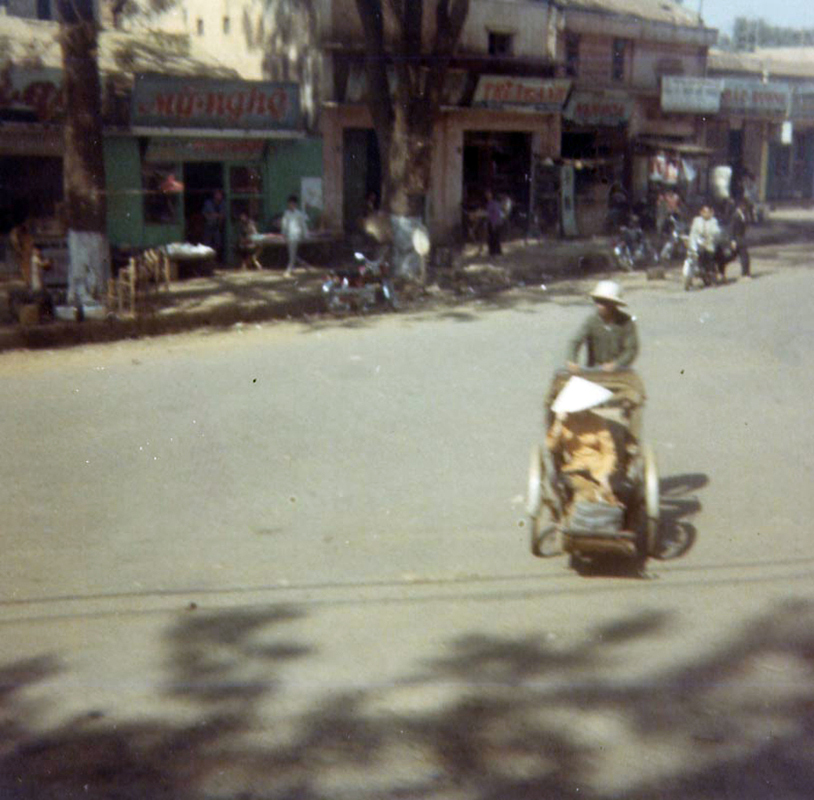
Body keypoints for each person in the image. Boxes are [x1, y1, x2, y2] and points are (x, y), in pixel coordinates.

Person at [566, 281, 639, 372]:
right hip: (594, 370)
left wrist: (616, 364)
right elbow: (575, 341)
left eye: (604, 303)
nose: (600, 306)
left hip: (619, 371)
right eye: (597, 301)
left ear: (614, 304)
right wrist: (572, 360)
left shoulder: (626, 322)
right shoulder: (591, 321)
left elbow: (631, 350)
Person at [685, 203, 722, 288]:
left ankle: (712, 277)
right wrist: (690, 240)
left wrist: (712, 235)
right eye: (703, 212)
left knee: (709, 257)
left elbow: (716, 231)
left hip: (709, 243)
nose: (705, 213)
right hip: (698, 244)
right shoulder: (697, 220)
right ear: (701, 212)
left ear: (710, 213)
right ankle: (691, 276)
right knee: (693, 256)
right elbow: (693, 232)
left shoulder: (713, 221)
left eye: (707, 212)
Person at [281, 194, 309, 274]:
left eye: (293, 204)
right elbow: (284, 224)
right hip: (289, 235)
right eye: (290, 203)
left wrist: (305, 235)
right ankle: (303, 264)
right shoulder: (286, 213)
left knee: (292, 251)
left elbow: (303, 225)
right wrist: (283, 234)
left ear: (295, 205)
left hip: (297, 235)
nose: (291, 205)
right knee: (292, 252)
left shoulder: (299, 214)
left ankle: (289, 269)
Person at [202, 189, 226, 261]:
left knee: (217, 243)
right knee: (207, 243)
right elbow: (204, 214)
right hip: (209, 225)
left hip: (218, 227)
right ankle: (206, 260)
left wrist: (217, 216)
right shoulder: (208, 203)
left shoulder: (223, 204)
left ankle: (215, 259)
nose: (218, 196)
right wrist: (211, 217)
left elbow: (223, 215)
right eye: (217, 194)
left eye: (220, 194)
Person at [730, 198, 751, 279]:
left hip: (742, 238)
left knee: (744, 256)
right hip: (737, 238)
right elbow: (731, 229)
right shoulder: (735, 215)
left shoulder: (743, 214)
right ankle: (745, 273)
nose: (744, 208)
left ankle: (746, 273)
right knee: (741, 256)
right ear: (740, 206)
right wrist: (732, 240)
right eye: (743, 206)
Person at [485, 189, 503, 256]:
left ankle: (495, 251)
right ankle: (493, 251)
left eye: (489, 194)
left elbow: (496, 214)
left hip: (495, 222)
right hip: (492, 222)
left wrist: (493, 224)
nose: (487, 196)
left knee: (495, 237)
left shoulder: (494, 203)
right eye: (486, 194)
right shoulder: (489, 203)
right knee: (492, 237)